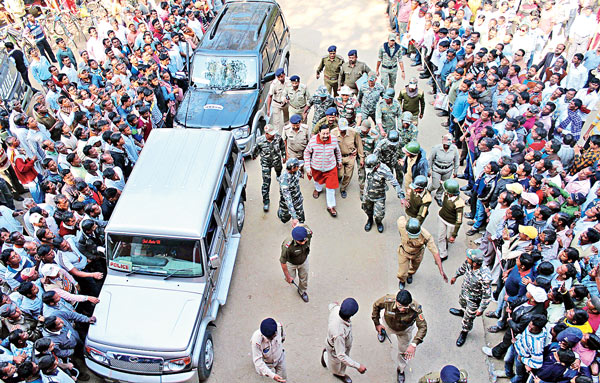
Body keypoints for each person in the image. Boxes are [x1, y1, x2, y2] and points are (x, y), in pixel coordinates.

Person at [371, 290, 428, 383]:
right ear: (396, 301)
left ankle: (401, 370)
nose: (402, 309)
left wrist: (414, 344)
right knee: (382, 330)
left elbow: (423, 327)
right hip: (388, 325)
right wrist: (377, 324)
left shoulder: (416, 309)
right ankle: (382, 333)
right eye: (400, 306)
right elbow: (376, 306)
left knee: (404, 352)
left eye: (405, 307)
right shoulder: (388, 301)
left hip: (404, 330)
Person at [449, 249, 492, 347]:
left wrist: (481, 309)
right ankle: (462, 311)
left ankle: (464, 332)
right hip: (465, 292)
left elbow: (487, 295)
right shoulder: (469, 263)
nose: (467, 259)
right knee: (462, 303)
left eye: (469, 258)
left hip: (474, 300)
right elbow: (462, 268)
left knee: (468, 318)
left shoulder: (485, 276)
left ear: (476, 263)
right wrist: (455, 276)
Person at [321, 298, 367, 383]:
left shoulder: (336, 309)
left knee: (343, 362)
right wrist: (358, 366)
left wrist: (335, 304)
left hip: (341, 345)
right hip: (335, 348)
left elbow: (332, 305)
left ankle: (341, 373)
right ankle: (326, 356)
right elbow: (341, 355)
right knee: (334, 366)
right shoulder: (339, 333)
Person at [396, 215, 447, 289]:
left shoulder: (426, 236)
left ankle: (410, 274)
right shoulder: (401, 225)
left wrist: (441, 270)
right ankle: (402, 280)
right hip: (404, 252)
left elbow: (435, 252)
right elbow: (401, 217)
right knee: (401, 273)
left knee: (414, 268)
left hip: (417, 254)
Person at [304, 124, 342, 217]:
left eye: (327, 133)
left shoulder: (333, 139)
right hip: (316, 167)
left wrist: (339, 161)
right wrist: (308, 167)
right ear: (319, 133)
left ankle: (331, 206)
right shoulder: (313, 141)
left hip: (330, 167)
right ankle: (318, 189)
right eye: (323, 134)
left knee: (331, 187)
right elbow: (307, 153)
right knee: (317, 181)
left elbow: (337, 151)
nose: (326, 136)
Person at [362, 154, 403, 233]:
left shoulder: (384, 170)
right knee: (367, 209)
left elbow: (395, 183)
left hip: (379, 196)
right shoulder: (369, 165)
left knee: (379, 215)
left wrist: (401, 196)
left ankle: (378, 222)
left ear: (376, 165)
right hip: (367, 193)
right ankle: (370, 220)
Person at [252, 124, 285, 213]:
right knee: (266, 183)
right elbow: (255, 150)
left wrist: (284, 155)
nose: (273, 135)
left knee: (279, 170)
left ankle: (278, 175)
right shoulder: (260, 141)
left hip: (277, 160)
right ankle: (266, 201)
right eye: (270, 134)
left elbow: (282, 146)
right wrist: (254, 156)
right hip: (266, 163)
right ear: (266, 134)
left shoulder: (278, 137)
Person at [331, 118, 364, 198]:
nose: (343, 131)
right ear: (338, 127)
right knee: (340, 174)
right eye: (341, 129)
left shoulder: (353, 132)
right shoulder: (333, 133)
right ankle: (338, 179)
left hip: (350, 157)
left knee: (348, 175)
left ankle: (343, 189)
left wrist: (361, 158)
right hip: (339, 158)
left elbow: (359, 145)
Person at [280, 225, 312, 302]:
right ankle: (288, 277)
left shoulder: (308, 233)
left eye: (305, 240)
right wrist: (288, 277)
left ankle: (302, 291)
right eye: (301, 241)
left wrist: (297, 224)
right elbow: (283, 262)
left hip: (304, 260)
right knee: (290, 279)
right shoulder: (287, 246)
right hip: (291, 263)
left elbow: (303, 225)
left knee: (304, 278)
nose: (304, 242)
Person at [251, 318, 286, 382]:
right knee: (261, 372)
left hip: (280, 358)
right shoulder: (256, 341)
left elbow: (283, 338)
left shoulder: (279, 327)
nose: (273, 338)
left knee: (283, 378)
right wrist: (272, 375)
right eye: (270, 337)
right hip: (266, 362)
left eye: (274, 335)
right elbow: (258, 360)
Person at [429, 134, 460, 206]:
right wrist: (428, 170)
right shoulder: (436, 148)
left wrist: (455, 171)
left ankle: (438, 196)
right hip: (437, 168)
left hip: (448, 169)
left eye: (447, 144)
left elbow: (456, 160)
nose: (446, 145)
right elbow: (430, 159)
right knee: (435, 185)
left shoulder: (454, 149)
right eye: (444, 144)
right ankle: (429, 189)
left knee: (443, 185)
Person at [437, 179, 465, 261]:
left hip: (451, 223)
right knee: (441, 237)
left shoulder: (459, 204)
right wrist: (442, 182)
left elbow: (459, 221)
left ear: (451, 193)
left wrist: (454, 235)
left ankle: (447, 242)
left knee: (449, 238)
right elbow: (444, 185)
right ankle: (443, 254)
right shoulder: (447, 193)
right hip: (442, 217)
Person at [277, 158, 304, 225]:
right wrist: (294, 217)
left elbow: (298, 174)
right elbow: (288, 199)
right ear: (293, 168)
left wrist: (301, 175)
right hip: (287, 202)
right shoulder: (284, 180)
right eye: (298, 166)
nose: (299, 167)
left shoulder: (296, 171)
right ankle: (281, 213)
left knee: (301, 218)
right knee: (284, 218)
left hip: (298, 199)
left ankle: (301, 226)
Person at [267, 68, 289, 134]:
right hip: (276, 103)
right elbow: (270, 96)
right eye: (278, 77)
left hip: (286, 104)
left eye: (281, 77)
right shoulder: (274, 84)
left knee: (287, 121)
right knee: (276, 122)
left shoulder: (289, 81)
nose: (280, 78)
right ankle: (277, 137)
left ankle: (287, 135)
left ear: (284, 75)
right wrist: (268, 109)